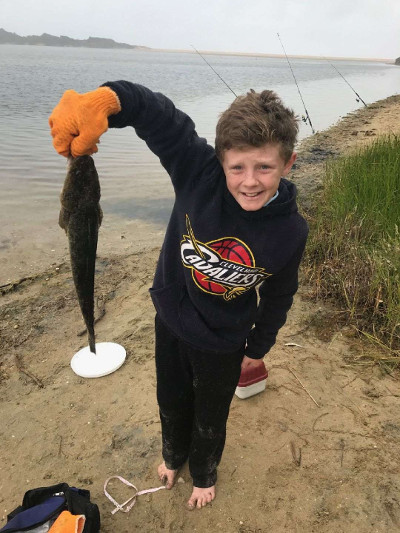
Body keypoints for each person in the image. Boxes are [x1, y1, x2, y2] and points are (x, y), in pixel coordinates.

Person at [49, 81, 308, 510]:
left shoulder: (290, 231)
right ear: (220, 161)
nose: (249, 181)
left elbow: (281, 294)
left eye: (264, 167)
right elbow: (160, 117)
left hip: (225, 341)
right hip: (171, 320)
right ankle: (173, 455)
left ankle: (204, 473)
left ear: (288, 163)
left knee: (211, 416)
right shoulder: (197, 171)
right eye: (237, 167)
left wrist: (257, 348)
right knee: (170, 398)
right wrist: (110, 100)